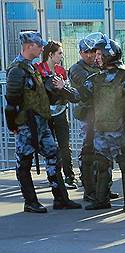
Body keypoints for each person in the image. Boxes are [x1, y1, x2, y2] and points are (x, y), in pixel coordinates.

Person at [4, 31, 81, 213]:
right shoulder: (17, 70)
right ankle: (30, 201)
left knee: (53, 155)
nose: (41, 49)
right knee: (24, 162)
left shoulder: (31, 68)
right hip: (27, 124)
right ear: (29, 46)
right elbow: (11, 102)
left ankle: (61, 198)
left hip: (41, 123)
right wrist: (13, 126)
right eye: (39, 46)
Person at [79, 38, 125, 211]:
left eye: (99, 54)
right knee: (101, 165)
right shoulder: (95, 78)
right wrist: (62, 88)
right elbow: (81, 95)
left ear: (109, 54)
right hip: (100, 130)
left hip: (120, 129)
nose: (96, 57)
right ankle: (101, 200)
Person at [36, 40, 78, 189]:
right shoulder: (38, 69)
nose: (62, 56)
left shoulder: (61, 71)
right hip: (45, 114)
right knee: (49, 146)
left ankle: (69, 176)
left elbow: (67, 91)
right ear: (50, 54)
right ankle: (54, 176)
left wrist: (63, 86)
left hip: (60, 111)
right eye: (59, 53)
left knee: (64, 145)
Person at [69, 33, 102, 204]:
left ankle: (102, 188)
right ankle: (89, 190)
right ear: (80, 53)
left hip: (101, 113)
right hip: (87, 113)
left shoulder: (98, 66)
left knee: (101, 152)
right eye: (86, 52)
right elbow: (89, 86)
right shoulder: (76, 69)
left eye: (92, 51)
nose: (90, 55)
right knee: (88, 151)